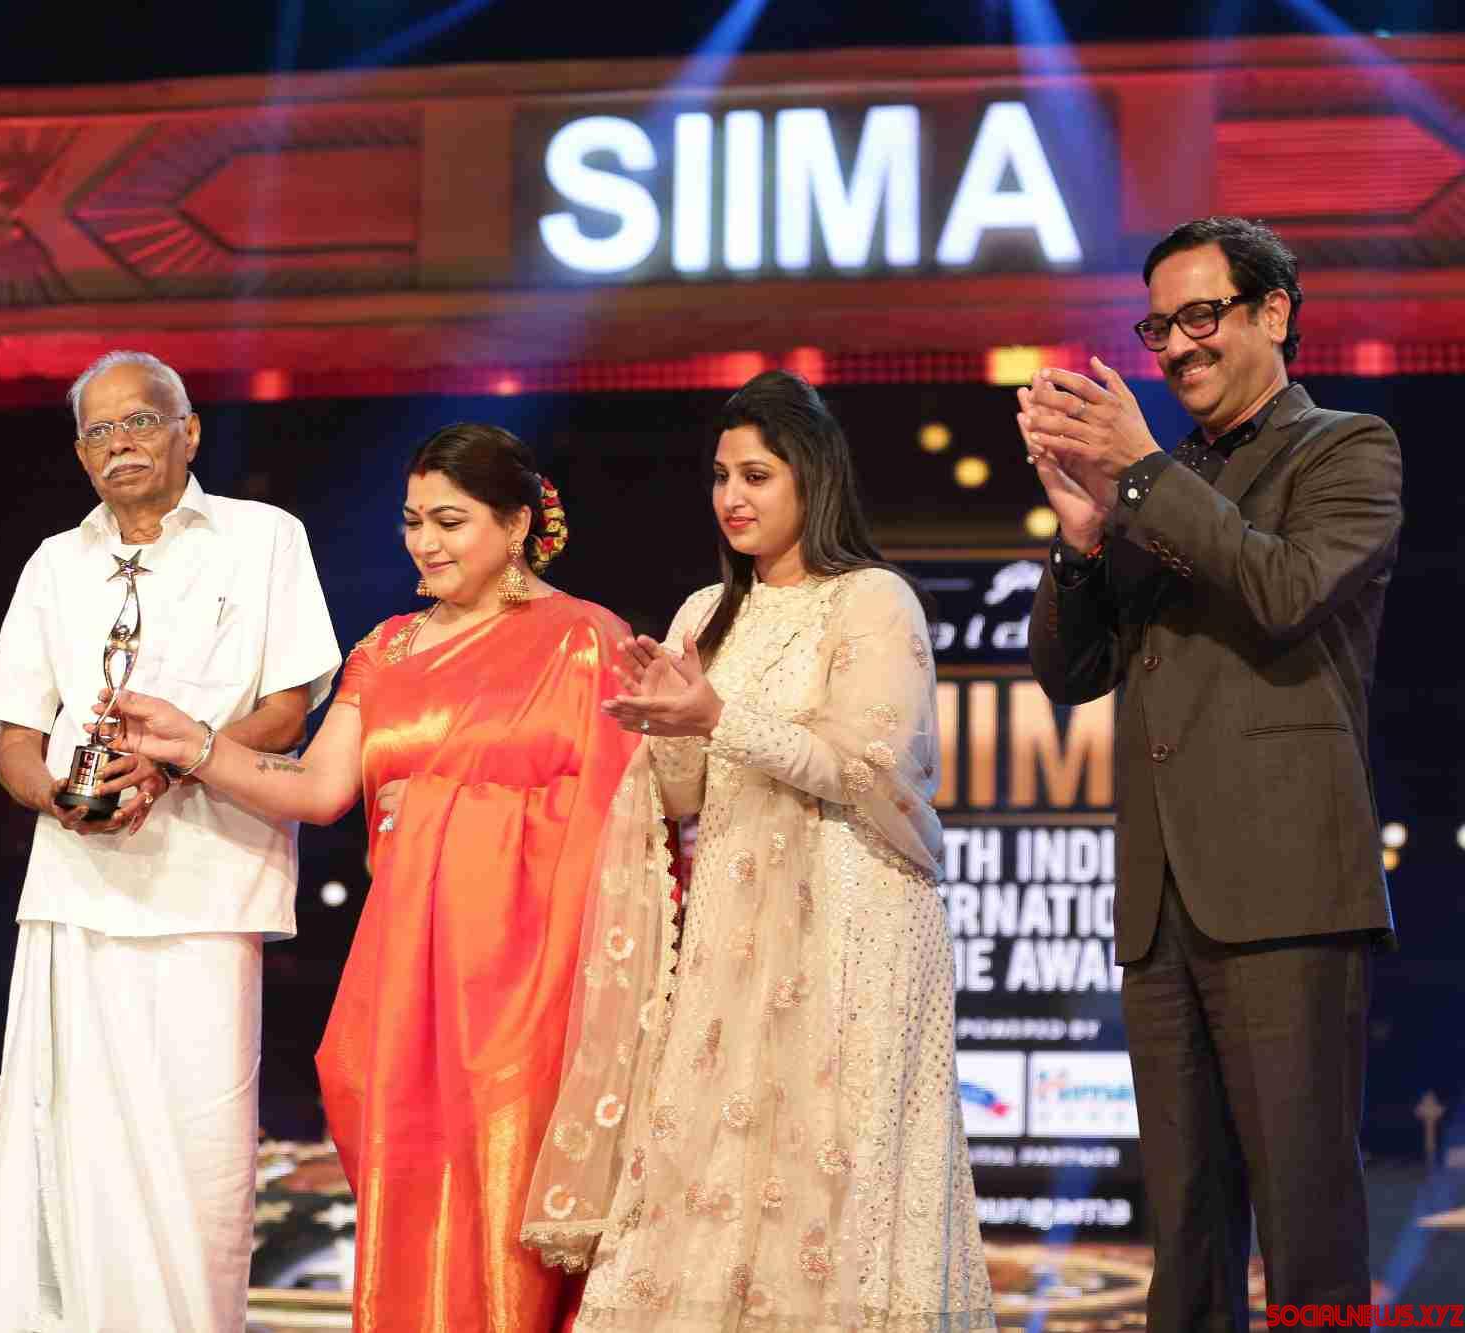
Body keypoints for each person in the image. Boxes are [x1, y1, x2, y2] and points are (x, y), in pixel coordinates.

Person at [107, 423, 640, 1331]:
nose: (424, 542)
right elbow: (318, 789)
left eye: (450, 521)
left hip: (535, 989)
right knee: (409, 1194)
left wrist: (446, 809)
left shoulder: (587, 641)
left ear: (517, 524)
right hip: (404, 981)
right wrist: (195, 745)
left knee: (511, 1210)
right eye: (412, 520)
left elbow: (623, 827)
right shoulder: (387, 649)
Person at [520, 371, 993, 1327]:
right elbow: (686, 796)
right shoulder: (706, 611)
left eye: (757, 475)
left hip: (855, 924)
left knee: (846, 1177)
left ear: (812, 479)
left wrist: (716, 715)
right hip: (737, 934)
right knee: (711, 1171)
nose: (731, 496)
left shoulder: (872, 601)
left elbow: (867, 768)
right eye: (720, 475)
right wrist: (667, 724)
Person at [1020, 216, 1400, 1320]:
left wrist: (1137, 474)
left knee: (1303, 1220)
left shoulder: (1345, 447)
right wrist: (1081, 535)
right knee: (1185, 1229)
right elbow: (1068, 672)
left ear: (1273, 313)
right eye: (1159, 327)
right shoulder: (1157, 483)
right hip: (1160, 902)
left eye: (1200, 315)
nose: (1178, 345)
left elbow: (1283, 590)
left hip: (1287, 892)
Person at [0, 351, 340, 1331]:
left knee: (197, 1164)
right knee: (65, 1157)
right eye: (98, 430)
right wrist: (56, 797)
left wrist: (171, 767)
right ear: (80, 453)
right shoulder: (55, 562)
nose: (119, 443)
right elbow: (10, 731)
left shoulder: (264, 538)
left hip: (208, 890)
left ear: (189, 431)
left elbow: (289, 707)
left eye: (139, 421)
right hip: (73, 896)